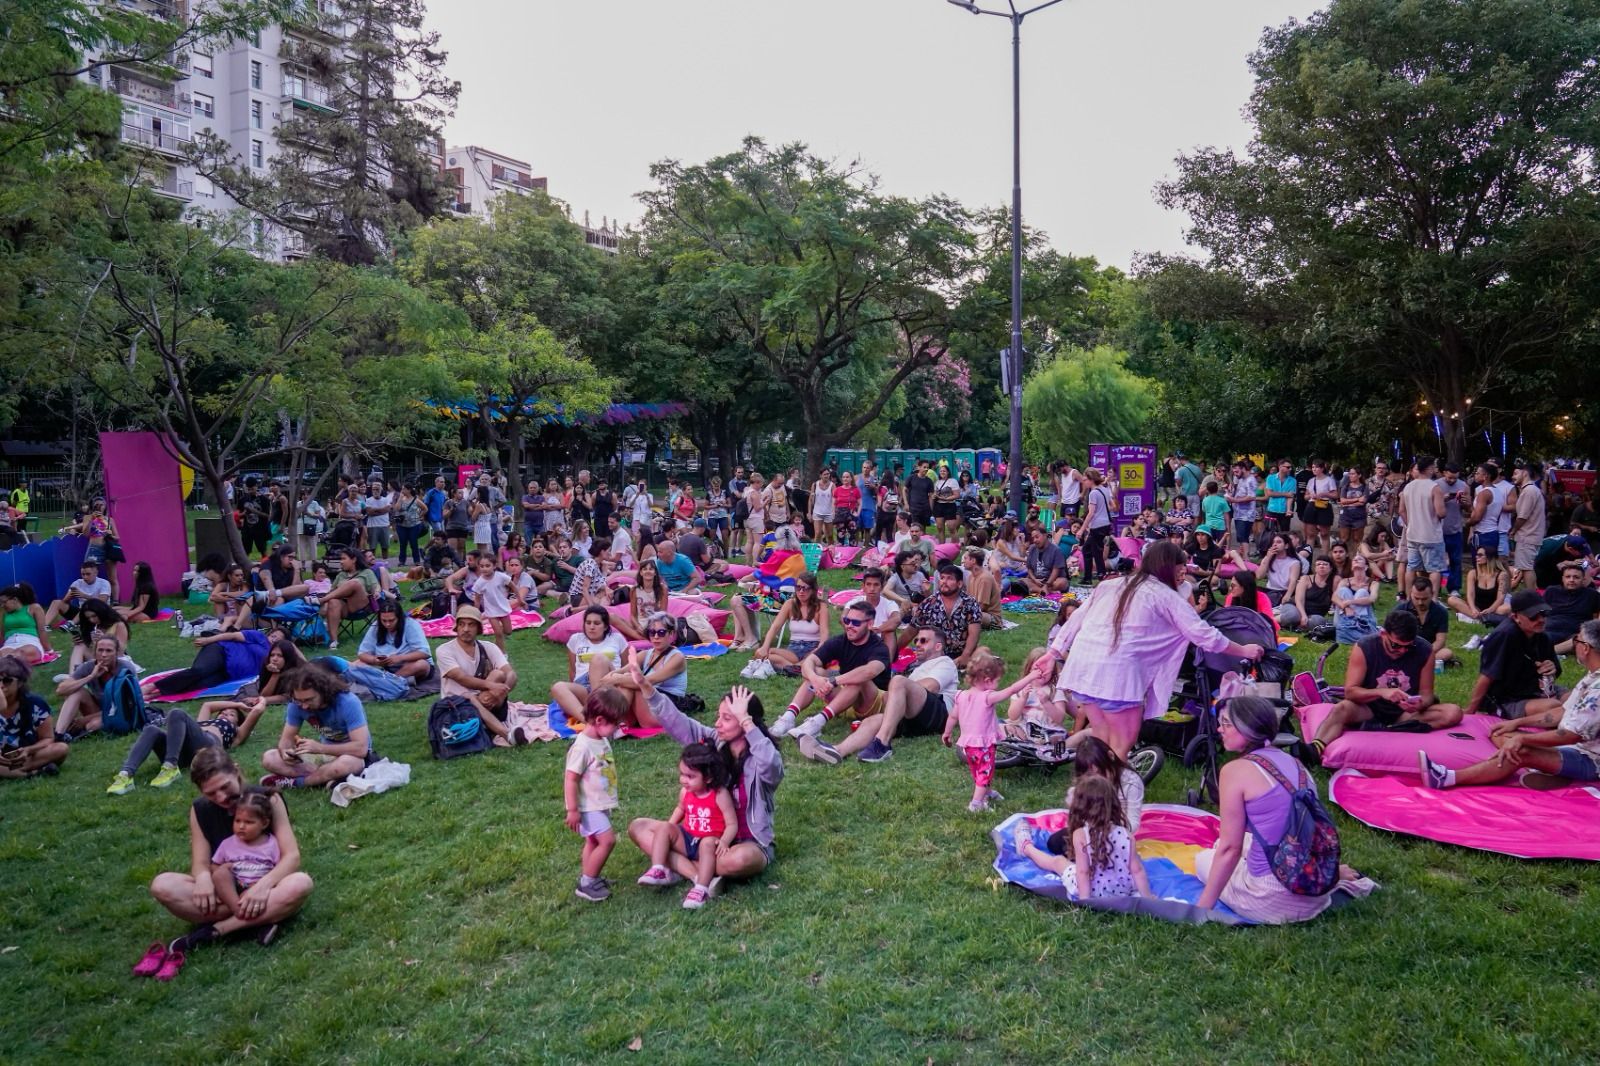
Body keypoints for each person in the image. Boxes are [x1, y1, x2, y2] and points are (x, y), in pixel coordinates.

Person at [1044, 541, 1266, 758]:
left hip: (1084, 669)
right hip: (1118, 677)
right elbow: (1205, 636)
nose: (1183, 576)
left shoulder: (1110, 584)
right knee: (1122, 744)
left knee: (1103, 738)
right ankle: (1109, 791)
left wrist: (1052, 654)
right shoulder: (1166, 596)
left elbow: (1075, 620)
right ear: (1168, 567)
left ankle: (1094, 786)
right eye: (1180, 570)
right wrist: (1245, 651)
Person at [141, 749, 312, 975]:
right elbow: (200, 861)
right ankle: (258, 922)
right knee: (162, 885)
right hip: (226, 889)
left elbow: (292, 856)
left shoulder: (269, 798)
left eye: (225, 787)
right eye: (211, 793)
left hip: (266, 888)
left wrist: (262, 887)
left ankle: (216, 931)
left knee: (301, 883)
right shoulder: (200, 809)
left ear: (236, 771)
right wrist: (202, 879)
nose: (221, 797)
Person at [1195, 697, 1364, 924]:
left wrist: (1201, 909)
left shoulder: (1234, 771)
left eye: (1226, 723)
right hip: (1314, 889)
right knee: (1236, 843)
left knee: (1206, 857)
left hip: (1269, 899)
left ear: (1247, 729)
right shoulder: (1295, 764)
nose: (1219, 729)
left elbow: (1229, 849)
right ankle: (1336, 875)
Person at [631, 678, 782, 887]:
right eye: (719, 716)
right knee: (639, 827)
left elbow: (772, 764)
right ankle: (699, 876)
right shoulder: (715, 744)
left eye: (727, 718)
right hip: (702, 839)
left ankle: (681, 866)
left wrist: (746, 721)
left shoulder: (760, 759)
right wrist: (646, 687)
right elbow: (678, 722)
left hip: (745, 843)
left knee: (740, 860)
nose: (717, 723)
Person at [1422, 618, 1600, 791]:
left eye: (1576, 640)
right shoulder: (1592, 677)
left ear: (1585, 648)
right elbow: (1561, 711)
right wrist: (1517, 723)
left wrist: (1522, 738)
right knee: (1504, 734)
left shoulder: (1597, 690)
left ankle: (1447, 777)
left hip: (1591, 760)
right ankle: (1558, 774)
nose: (1574, 644)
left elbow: (1570, 735)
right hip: (1576, 748)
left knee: (1519, 751)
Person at [800, 625, 960, 766]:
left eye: (923, 641)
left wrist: (898, 692)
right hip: (916, 719)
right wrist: (896, 699)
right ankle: (837, 751)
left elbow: (930, 687)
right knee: (873, 720)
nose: (917, 644)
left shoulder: (945, 662)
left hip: (939, 715)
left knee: (898, 681)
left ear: (938, 646)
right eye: (916, 640)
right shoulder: (917, 669)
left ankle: (882, 744)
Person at [1310, 609, 1464, 753]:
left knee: (1453, 712)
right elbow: (1350, 692)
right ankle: (1316, 747)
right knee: (1341, 709)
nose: (1402, 651)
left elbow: (1427, 693)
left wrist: (1420, 703)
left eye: (1408, 647)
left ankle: (1392, 728)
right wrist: (1382, 693)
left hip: (1405, 714)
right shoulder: (1365, 647)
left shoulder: (1424, 650)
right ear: (1383, 634)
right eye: (1395, 645)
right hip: (1368, 708)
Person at [1012, 775, 1152, 902]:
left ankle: (1026, 847)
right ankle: (1027, 847)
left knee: (1058, 861)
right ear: (1112, 804)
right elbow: (1137, 870)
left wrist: (1085, 900)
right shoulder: (1126, 834)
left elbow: (1083, 872)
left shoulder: (1080, 835)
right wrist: (1148, 898)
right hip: (1123, 889)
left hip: (1093, 890)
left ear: (1081, 807)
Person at [770, 598, 892, 741]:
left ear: (870, 624)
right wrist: (815, 680)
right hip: (846, 701)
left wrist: (833, 681)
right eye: (847, 621)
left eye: (856, 623)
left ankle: (817, 723)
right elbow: (810, 661)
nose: (849, 626)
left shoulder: (879, 647)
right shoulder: (840, 641)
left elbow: (869, 672)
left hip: (873, 704)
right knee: (815, 673)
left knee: (858, 679)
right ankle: (788, 717)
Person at [639, 741, 739, 909]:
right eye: (682, 774)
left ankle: (701, 888)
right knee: (664, 826)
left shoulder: (719, 794)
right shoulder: (686, 791)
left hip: (709, 842)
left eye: (690, 776)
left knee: (707, 843)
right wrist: (668, 829)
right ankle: (658, 869)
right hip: (688, 838)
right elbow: (680, 809)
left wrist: (724, 841)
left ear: (708, 777)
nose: (683, 780)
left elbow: (732, 824)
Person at [943, 648, 1044, 812]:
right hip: (982, 744)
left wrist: (947, 733)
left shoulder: (961, 695)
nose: (998, 685)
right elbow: (1012, 690)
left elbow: (953, 717)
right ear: (988, 680)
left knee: (979, 770)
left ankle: (987, 792)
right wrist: (1031, 676)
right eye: (997, 681)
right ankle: (976, 804)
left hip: (968, 745)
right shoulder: (987, 697)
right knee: (984, 772)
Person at [259, 666, 374, 790]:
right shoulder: (295, 704)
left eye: (309, 700)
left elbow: (361, 748)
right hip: (322, 756)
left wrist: (320, 748)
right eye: (299, 700)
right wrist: (285, 752)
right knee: (269, 758)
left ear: (323, 691)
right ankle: (326, 778)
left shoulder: (347, 702)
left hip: (349, 755)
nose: (304, 706)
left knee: (345, 764)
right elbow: (286, 739)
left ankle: (298, 783)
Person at [1465, 590, 1564, 720]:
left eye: (1544, 614)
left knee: (1579, 699)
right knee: (1556, 708)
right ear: (1515, 617)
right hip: (1506, 700)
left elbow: (1554, 673)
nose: (1541, 620)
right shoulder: (1505, 636)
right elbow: (1487, 676)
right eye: (1533, 616)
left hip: (1534, 689)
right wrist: (1470, 712)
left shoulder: (1542, 636)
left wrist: (1552, 668)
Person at [565, 686, 624, 902]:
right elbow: (570, 778)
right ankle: (587, 883)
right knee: (607, 841)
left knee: (593, 842)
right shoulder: (582, 747)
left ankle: (590, 877)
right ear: (599, 720)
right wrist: (572, 810)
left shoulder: (600, 739)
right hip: (587, 807)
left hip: (599, 804)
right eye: (615, 723)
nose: (618, 727)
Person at [436, 605, 521, 745]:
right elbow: (462, 678)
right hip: (457, 705)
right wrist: (492, 686)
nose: (466, 629)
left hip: (489, 701)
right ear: (456, 627)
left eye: (471, 625)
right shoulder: (444, 651)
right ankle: (506, 734)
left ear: (478, 628)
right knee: (471, 697)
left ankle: (489, 724)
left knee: (498, 674)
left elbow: (511, 673)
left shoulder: (489, 647)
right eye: (462, 624)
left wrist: (501, 690)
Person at [549, 607, 630, 723]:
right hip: (584, 686)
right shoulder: (575, 639)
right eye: (588, 623)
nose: (591, 627)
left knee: (598, 659)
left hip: (608, 683)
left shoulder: (617, 639)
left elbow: (625, 669)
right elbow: (573, 670)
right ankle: (589, 721)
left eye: (597, 623)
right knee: (558, 687)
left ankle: (600, 710)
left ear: (606, 626)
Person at [143, 628, 272, 699]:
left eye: (279, 638)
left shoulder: (274, 657)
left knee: (201, 684)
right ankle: (152, 686)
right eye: (274, 635)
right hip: (221, 651)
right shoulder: (260, 638)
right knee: (200, 671)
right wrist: (208, 640)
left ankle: (158, 693)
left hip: (228, 673)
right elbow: (231, 636)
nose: (275, 639)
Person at [54, 633, 138, 740]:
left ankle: (76, 731)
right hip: (99, 710)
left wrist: (85, 719)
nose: (103, 654)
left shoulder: (125, 669)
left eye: (108, 651)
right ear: (95, 652)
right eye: (100, 650)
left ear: (116, 653)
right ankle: (59, 734)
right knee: (76, 691)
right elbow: (61, 690)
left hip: (121, 713)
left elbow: (126, 706)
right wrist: (90, 677)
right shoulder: (89, 667)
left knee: (92, 725)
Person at [743, 570, 829, 669]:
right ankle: (795, 667)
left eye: (805, 588)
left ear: (813, 590)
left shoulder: (821, 607)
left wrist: (818, 651)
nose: (801, 591)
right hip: (793, 649)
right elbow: (775, 627)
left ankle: (791, 666)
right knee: (761, 653)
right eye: (798, 587)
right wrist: (765, 647)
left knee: (818, 657)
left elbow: (824, 635)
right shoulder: (790, 604)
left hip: (813, 648)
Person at [0, 658, 69, 780]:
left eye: (7, 681)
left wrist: (28, 750)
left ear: (20, 683)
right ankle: (32, 773)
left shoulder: (35, 703)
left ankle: (10, 772)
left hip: (27, 755)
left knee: (61, 749)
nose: (1, 685)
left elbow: (48, 738)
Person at [913, 564, 983, 669]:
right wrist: (894, 651)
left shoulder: (970, 603)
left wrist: (965, 655)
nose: (944, 582)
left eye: (949, 578)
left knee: (984, 652)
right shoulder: (928, 602)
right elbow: (912, 629)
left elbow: (974, 634)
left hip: (961, 653)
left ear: (959, 584)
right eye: (942, 578)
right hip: (936, 654)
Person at [1398, 455, 1447, 591]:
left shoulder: (1407, 487)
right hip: (1431, 535)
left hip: (1412, 534)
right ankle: (1434, 598)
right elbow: (1441, 513)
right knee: (1434, 569)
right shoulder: (1434, 487)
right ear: (1430, 468)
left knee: (1412, 567)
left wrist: (1409, 523)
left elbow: (1401, 510)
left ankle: (1409, 596)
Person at [355, 599, 434, 682]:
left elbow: (425, 653)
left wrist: (400, 658)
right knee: (356, 665)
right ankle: (394, 681)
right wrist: (375, 660)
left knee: (420, 665)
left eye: (391, 620)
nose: (387, 624)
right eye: (384, 621)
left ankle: (387, 682)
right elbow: (362, 654)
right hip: (385, 667)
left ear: (399, 618)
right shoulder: (376, 626)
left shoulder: (411, 625)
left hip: (408, 665)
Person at [319, 549, 377, 651]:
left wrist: (376, 592)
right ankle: (334, 641)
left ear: (353, 559)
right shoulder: (341, 575)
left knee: (354, 583)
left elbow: (376, 587)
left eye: (343, 558)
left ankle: (321, 600)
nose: (341, 561)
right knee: (333, 601)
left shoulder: (367, 572)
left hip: (361, 607)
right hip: (345, 608)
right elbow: (332, 591)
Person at [1450, 546, 1511, 636]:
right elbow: (1470, 595)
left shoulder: (1502, 575)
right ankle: (1482, 619)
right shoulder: (1473, 573)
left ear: (1490, 557)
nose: (1476, 557)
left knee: (1507, 608)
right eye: (1476, 555)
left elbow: (1500, 598)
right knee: (1452, 599)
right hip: (1477, 608)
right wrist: (1473, 608)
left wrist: (1490, 609)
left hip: (1495, 608)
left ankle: (1474, 619)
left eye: (1480, 555)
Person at [1394, 573, 1453, 665]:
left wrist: (1423, 652)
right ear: (1411, 593)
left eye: (1424, 599)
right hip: (1405, 648)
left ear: (1432, 594)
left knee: (1447, 653)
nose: (1420, 602)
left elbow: (1440, 641)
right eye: (1416, 598)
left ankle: (1415, 662)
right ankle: (1421, 663)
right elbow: (1392, 637)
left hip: (1429, 649)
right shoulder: (1400, 611)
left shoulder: (1441, 612)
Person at [1508, 459, 1548, 590]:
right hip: (1530, 536)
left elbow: (1522, 517)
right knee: (1526, 567)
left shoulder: (1529, 491)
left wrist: (1513, 531)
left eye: (1515, 473)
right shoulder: (1531, 490)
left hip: (1528, 536)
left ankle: (1531, 597)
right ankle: (1533, 595)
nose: (1513, 477)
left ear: (1524, 473)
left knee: (1526, 569)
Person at [1545, 561, 1600, 653]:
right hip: (1549, 629)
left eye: (1576, 577)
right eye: (1568, 577)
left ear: (1583, 579)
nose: (1571, 580)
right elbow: (1540, 611)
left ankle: (1550, 652)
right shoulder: (1552, 591)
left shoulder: (1591, 595)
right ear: (1562, 579)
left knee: (1583, 641)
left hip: (1573, 633)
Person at [43, 561, 112, 629]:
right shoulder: (77, 583)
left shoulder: (104, 583)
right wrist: (69, 597)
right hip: (81, 613)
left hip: (99, 613)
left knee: (87, 605)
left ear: (96, 573)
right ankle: (43, 626)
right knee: (57, 602)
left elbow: (102, 602)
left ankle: (71, 624)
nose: (85, 577)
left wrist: (84, 596)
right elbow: (64, 602)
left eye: (88, 574)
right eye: (83, 574)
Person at [1075, 469, 1116, 582]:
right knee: (1089, 550)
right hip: (1105, 524)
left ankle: (1100, 576)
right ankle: (1090, 577)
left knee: (1095, 552)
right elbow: (1112, 506)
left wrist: (1081, 530)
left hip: (1097, 526)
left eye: (1085, 480)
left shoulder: (1093, 493)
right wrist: (1102, 510)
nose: (1084, 482)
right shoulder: (1105, 489)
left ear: (1091, 479)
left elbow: (1090, 513)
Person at [67, 598, 128, 670]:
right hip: (97, 657)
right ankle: (73, 676)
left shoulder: (118, 625)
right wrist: (78, 642)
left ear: (102, 612)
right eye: (88, 618)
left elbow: (121, 650)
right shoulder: (92, 626)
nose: (91, 620)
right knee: (79, 646)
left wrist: (105, 638)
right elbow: (92, 648)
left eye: (94, 616)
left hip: (114, 658)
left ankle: (75, 677)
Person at [1333, 554, 1380, 644]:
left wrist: (1350, 602)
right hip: (1344, 617)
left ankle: (1357, 627)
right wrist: (1346, 607)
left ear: (1366, 567)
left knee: (1362, 592)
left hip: (1365, 619)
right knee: (1343, 591)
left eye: (1359, 559)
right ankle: (1349, 626)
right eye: (1354, 560)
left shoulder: (1373, 583)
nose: (1356, 560)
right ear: (1352, 567)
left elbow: (1372, 599)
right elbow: (1334, 597)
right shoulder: (1345, 581)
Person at [0, 583, 49, 666]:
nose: (2, 605)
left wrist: (48, 650)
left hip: (30, 642)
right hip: (10, 643)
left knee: (16, 655)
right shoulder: (5, 614)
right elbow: (2, 634)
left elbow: (42, 631)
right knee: (4, 656)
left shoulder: (33, 608)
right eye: (0, 603)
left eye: (4, 602)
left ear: (15, 599)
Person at [963, 546, 1003, 629]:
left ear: (973, 561)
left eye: (965, 558)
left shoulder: (985, 578)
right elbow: (968, 601)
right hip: (978, 612)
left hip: (992, 618)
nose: (963, 561)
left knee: (962, 616)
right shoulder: (971, 577)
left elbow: (982, 606)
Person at [1024, 526, 1068, 594]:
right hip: (1037, 581)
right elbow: (1029, 568)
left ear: (1045, 536)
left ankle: (1038, 590)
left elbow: (1055, 571)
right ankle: (1044, 591)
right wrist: (1034, 579)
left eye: (1037, 537)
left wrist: (1047, 585)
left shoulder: (1056, 550)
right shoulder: (1032, 548)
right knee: (1022, 581)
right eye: (1033, 538)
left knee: (1062, 582)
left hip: (1052, 581)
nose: (1034, 540)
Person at [1227, 462, 1260, 550]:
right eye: (1234, 472)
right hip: (1238, 513)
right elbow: (1239, 493)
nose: (1235, 474)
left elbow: (1252, 497)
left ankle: (1246, 558)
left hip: (1246, 514)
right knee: (1241, 538)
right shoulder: (1241, 479)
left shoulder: (1251, 480)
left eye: (1237, 471)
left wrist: (1235, 500)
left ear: (1243, 469)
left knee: (1243, 537)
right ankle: (1244, 557)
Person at [904, 459, 935, 533]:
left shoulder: (929, 481)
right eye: (924, 467)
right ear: (919, 467)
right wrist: (906, 504)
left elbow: (931, 496)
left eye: (927, 467)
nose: (926, 469)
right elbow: (904, 490)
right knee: (914, 528)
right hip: (913, 508)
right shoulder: (911, 478)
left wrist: (931, 509)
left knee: (922, 529)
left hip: (925, 508)